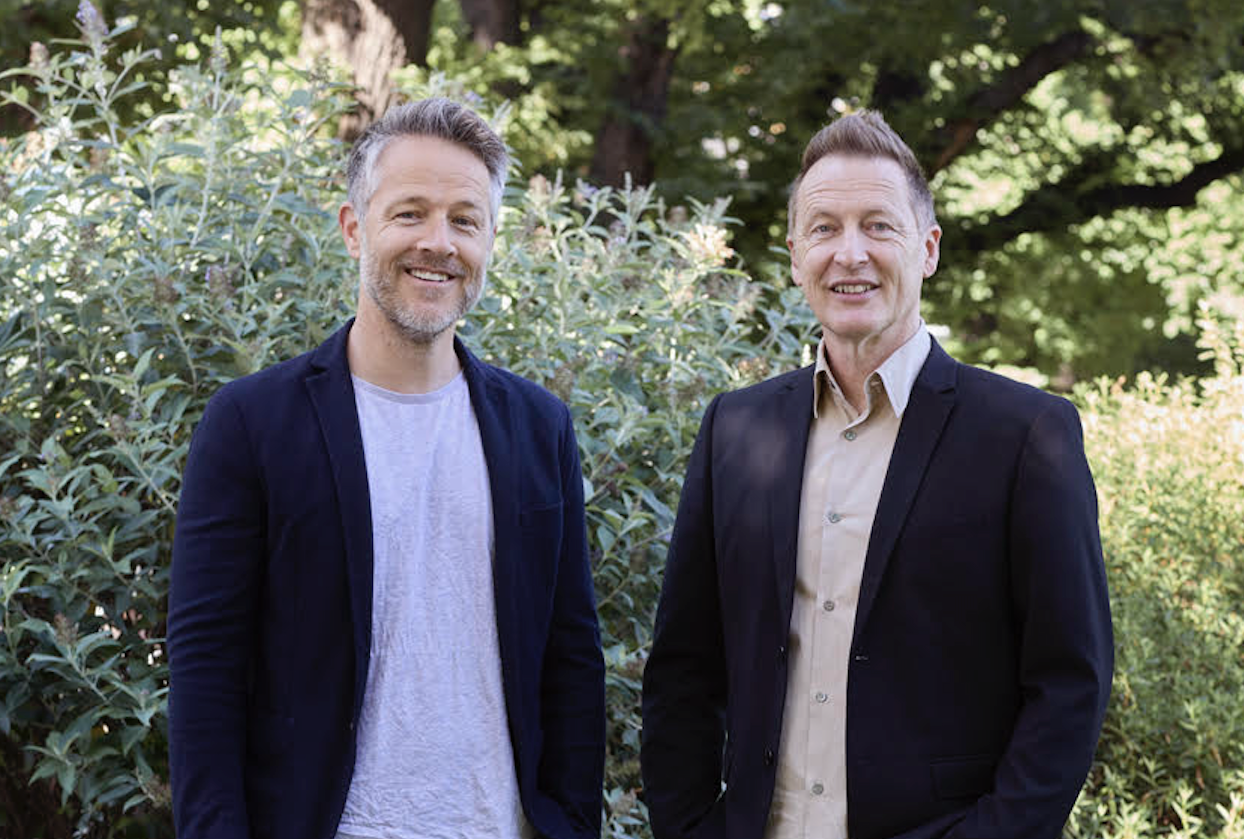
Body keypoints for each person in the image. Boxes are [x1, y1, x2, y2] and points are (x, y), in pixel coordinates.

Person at [640, 110, 1113, 839]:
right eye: (824, 229)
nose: (850, 253)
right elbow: (683, 667)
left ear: (927, 249)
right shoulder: (735, 428)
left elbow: (1069, 684)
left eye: (878, 226)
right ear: (795, 256)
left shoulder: (1026, 435)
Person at [168, 98, 605, 839]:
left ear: (490, 240)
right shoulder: (251, 423)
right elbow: (206, 670)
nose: (438, 242)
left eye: (464, 220)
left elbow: (571, 660)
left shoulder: (539, 427)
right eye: (410, 213)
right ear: (353, 228)